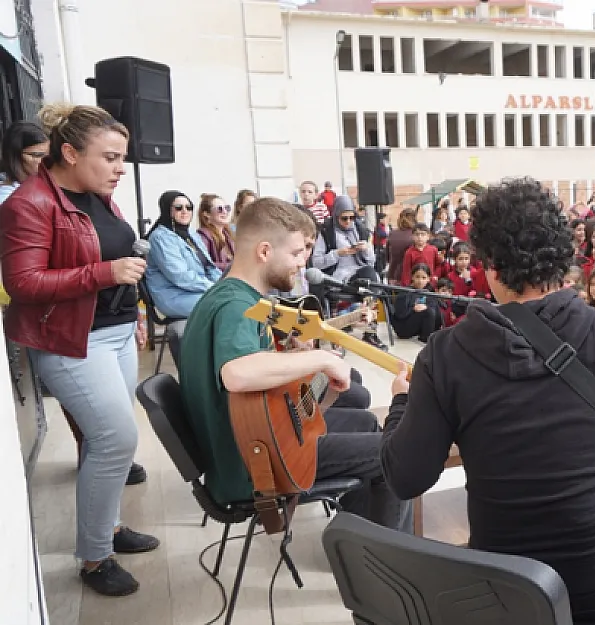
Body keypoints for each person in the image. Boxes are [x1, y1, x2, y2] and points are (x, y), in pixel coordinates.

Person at [380, 177, 595, 623]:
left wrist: (400, 404)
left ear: (489, 265)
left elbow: (405, 479)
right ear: (563, 258)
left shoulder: (445, 354)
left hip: (506, 581)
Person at [177, 196, 412, 532]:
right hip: (252, 462)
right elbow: (237, 373)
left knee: (367, 423)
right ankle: (387, 561)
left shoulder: (236, 297)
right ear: (264, 251)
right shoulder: (234, 305)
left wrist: (296, 359)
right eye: (297, 252)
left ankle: (357, 536)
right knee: (397, 452)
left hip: (253, 441)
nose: (303, 263)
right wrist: (319, 359)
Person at [0, 103, 159, 596]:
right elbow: (23, 282)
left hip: (111, 332)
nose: (118, 169)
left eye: (122, 159)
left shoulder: (98, 196)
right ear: (68, 153)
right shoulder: (27, 204)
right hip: (70, 339)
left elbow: (115, 252)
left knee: (101, 440)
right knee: (116, 439)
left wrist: (130, 308)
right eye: (109, 157)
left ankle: (108, 528)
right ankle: (94, 558)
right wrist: (103, 275)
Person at [145, 190, 224, 318]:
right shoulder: (160, 238)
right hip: (175, 296)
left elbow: (210, 266)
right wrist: (214, 287)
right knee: (226, 304)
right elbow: (180, 276)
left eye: (189, 207)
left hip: (200, 291)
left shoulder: (192, 234)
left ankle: (260, 335)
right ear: (167, 210)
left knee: (242, 298)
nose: (184, 211)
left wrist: (225, 283)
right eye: (178, 208)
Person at [0, 120, 49, 204]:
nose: (46, 160)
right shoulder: (6, 197)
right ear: (16, 156)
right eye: (37, 155)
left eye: (48, 155)